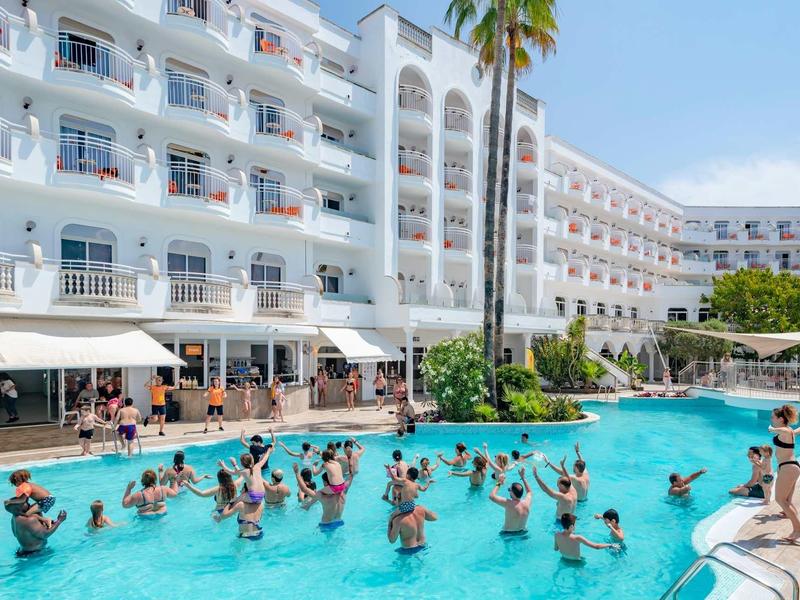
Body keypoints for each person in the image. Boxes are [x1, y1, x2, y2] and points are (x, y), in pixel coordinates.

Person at [768, 404, 800, 542]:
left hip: (788, 468)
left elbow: (783, 431)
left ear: (781, 419)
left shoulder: (785, 431)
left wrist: (773, 429)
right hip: (788, 468)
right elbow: (796, 431)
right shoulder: (790, 431)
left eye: (773, 417)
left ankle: (798, 530)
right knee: (785, 500)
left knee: (780, 499)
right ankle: (793, 516)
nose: (771, 419)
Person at [293, 463, 353, 529]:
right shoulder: (343, 491)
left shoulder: (322, 495)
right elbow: (350, 477)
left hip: (326, 525)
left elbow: (304, 489)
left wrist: (297, 473)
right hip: (339, 522)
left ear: (325, 482)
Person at [489, 467, 532, 534]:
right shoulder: (527, 502)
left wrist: (499, 482)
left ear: (513, 493)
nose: (508, 490)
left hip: (508, 535)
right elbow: (529, 492)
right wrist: (523, 478)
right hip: (523, 533)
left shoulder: (508, 503)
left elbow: (491, 496)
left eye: (509, 489)